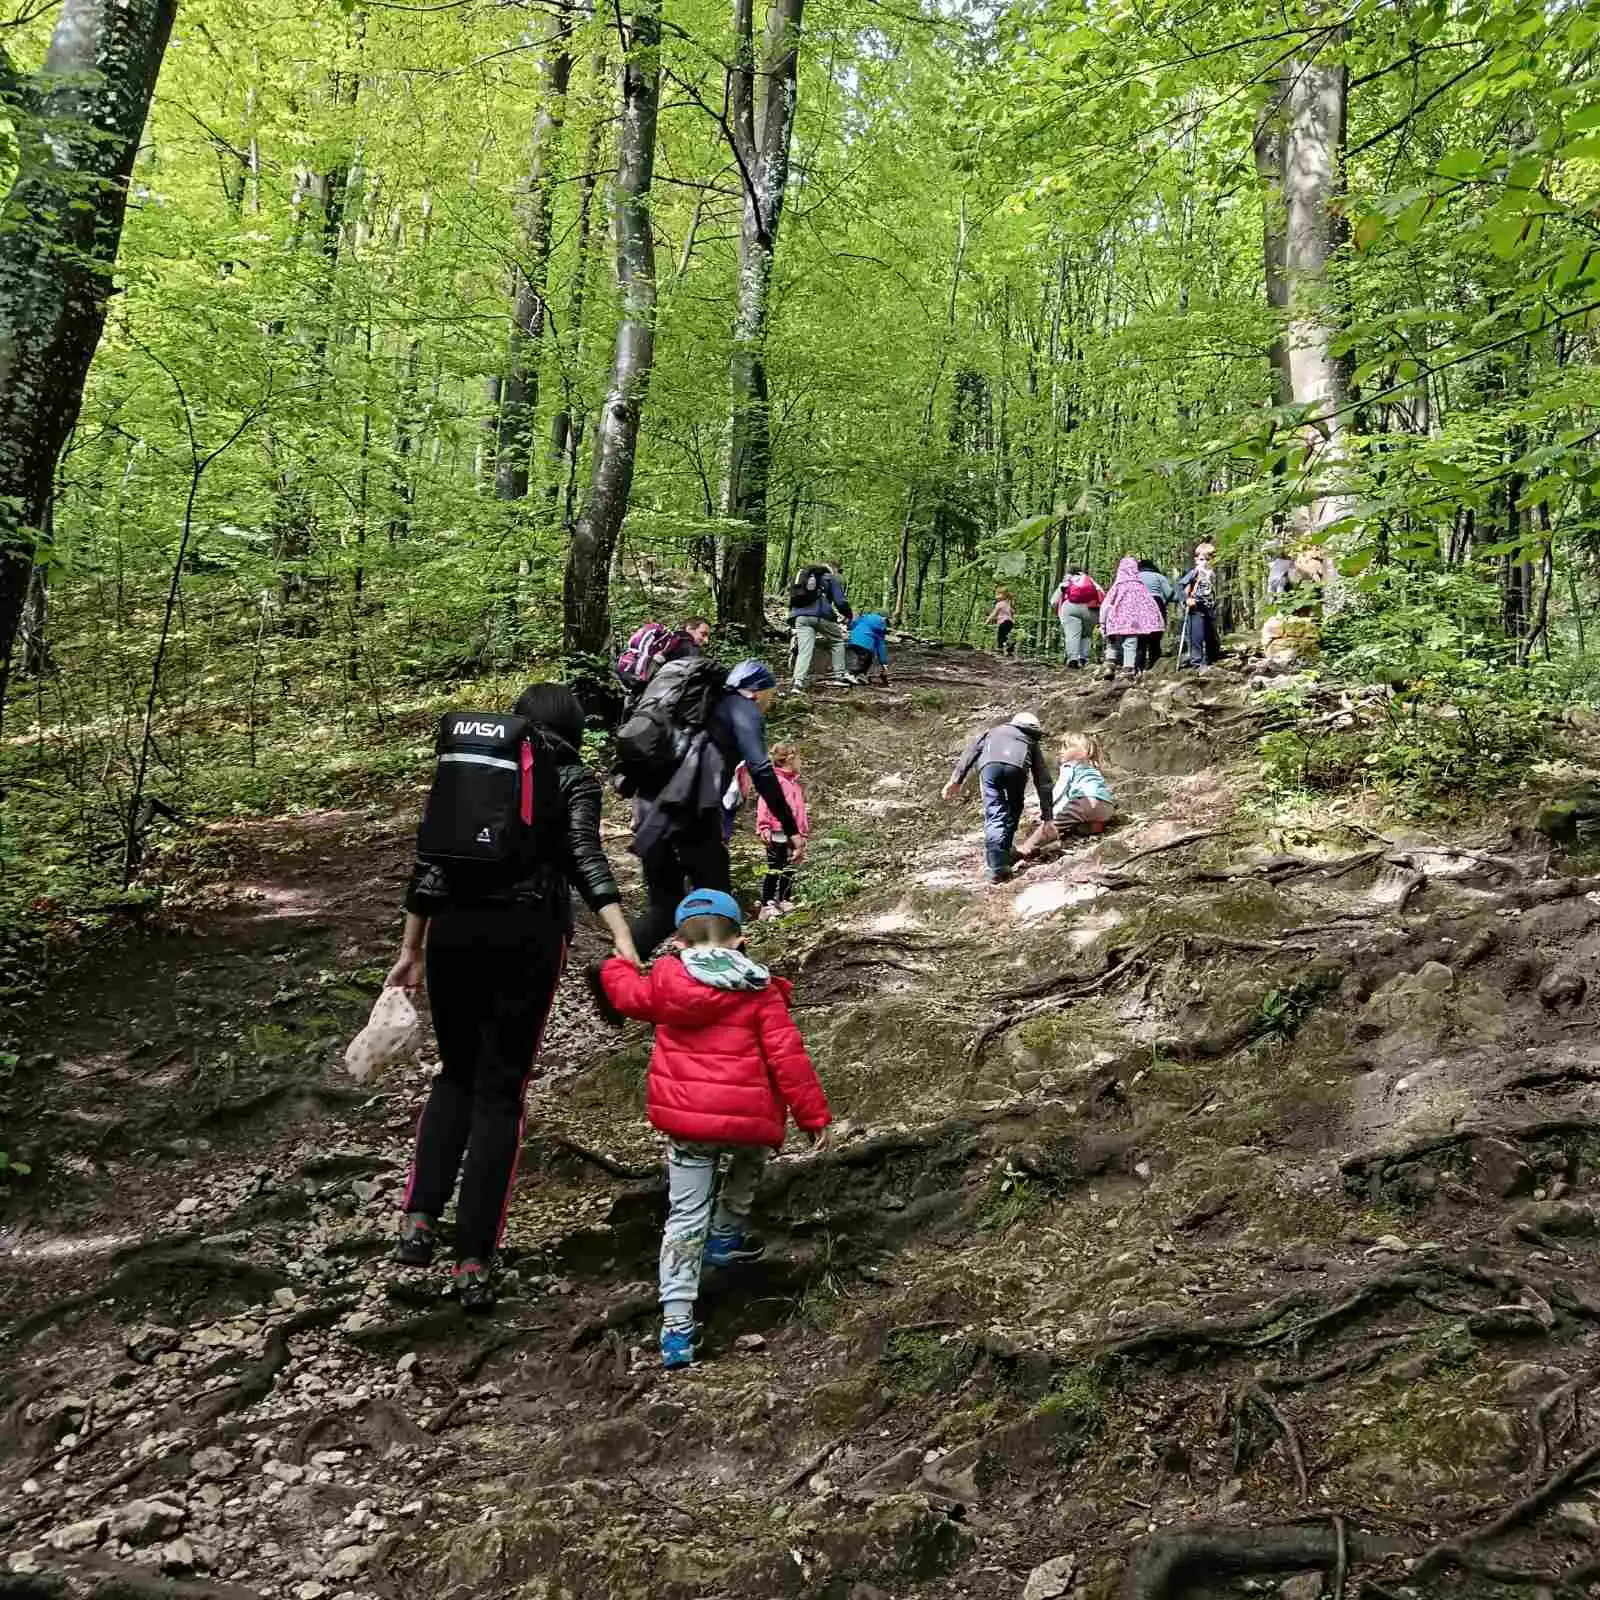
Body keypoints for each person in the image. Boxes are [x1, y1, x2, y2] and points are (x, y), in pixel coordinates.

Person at [385, 683, 641, 1312]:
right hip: (527, 936)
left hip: (452, 931)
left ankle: (418, 1218)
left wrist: (411, 948)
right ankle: (473, 1256)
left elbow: (431, 858)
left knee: (455, 1076)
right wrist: (620, 932)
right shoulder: (572, 774)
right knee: (502, 1091)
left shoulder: (470, 771)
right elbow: (583, 854)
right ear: (574, 727)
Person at [598, 889, 832, 1370]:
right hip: (747, 1121)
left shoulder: (664, 982)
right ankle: (726, 1231)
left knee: (684, 1216)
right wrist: (812, 1117)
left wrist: (617, 964)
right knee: (753, 1152)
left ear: (679, 942)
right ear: (741, 939)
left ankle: (678, 1328)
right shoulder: (760, 989)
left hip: (688, 1125)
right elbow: (788, 1060)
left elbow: (624, 995)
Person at [628, 659, 805, 959]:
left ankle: (612, 969)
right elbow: (761, 769)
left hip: (650, 809)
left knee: (665, 905)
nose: (769, 704)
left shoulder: (699, 710)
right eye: (770, 696)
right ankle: (740, 981)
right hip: (692, 813)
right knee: (719, 899)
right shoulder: (741, 708)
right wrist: (791, 828)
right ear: (757, 692)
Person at [941, 711, 1054, 883]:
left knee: (995, 811)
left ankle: (998, 861)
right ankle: (1001, 858)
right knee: (1014, 807)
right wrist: (1048, 817)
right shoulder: (1030, 741)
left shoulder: (994, 731)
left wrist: (956, 780)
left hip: (989, 767)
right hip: (1017, 769)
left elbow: (971, 750)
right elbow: (1043, 780)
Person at [1017, 732, 1114, 857]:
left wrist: (1048, 812)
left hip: (1086, 801)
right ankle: (1093, 827)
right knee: (1077, 821)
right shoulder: (1090, 767)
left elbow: (1060, 791)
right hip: (1106, 807)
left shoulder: (1070, 765)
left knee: (1052, 824)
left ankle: (1025, 848)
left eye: (1066, 747)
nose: (1060, 751)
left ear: (1083, 751)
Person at [744, 743, 809, 918]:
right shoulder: (774, 781)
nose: (800, 762)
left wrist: (802, 833)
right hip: (776, 830)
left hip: (793, 833)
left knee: (790, 866)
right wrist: (764, 826)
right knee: (776, 864)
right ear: (789, 759)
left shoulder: (794, 784)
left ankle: (785, 899)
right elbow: (765, 804)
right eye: (798, 758)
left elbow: (800, 811)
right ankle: (767, 903)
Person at [790, 561, 853, 692]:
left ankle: (797, 683)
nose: (838, 574)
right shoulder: (829, 578)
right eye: (838, 571)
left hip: (800, 617)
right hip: (820, 616)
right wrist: (848, 615)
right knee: (837, 641)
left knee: (804, 650)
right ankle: (839, 676)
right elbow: (840, 601)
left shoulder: (804, 576)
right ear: (833, 569)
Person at [1100, 556, 1167, 677]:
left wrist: (1102, 622)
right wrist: (1156, 620)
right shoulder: (1140, 587)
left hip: (1115, 621)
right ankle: (1128, 669)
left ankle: (1109, 664)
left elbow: (1106, 604)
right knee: (1130, 643)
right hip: (1133, 623)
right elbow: (1150, 605)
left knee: (1111, 642)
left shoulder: (1117, 585)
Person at [1178, 543, 1222, 668]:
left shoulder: (1213, 573)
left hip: (1210, 608)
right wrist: (1186, 599)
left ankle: (1210, 660)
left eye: (1208, 559)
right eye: (1202, 559)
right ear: (1196, 560)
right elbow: (1180, 586)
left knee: (1211, 636)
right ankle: (1196, 663)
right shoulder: (1195, 572)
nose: (1205, 562)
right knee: (1196, 636)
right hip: (1196, 608)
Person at [1049, 568, 1103, 668]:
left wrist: (1059, 610)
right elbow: (1102, 596)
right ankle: (1083, 658)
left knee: (1072, 635)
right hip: (1090, 609)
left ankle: (1073, 659)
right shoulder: (1091, 581)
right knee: (1086, 635)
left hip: (1070, 608)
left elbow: (1053, 602)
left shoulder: (1066, 582)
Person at [1135, 560, 1175, 671]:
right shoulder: (1159, 577)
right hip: (1157, 604)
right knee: (1155, 639)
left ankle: (1139, 668)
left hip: (1139, 606)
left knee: (1140, 640)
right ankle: (1154, 667)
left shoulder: (1135, 577)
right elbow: (1169, 593)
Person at [845, 610, 891, 684]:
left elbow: (853, 625)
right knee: (865, 659)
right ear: (885, 619)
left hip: (853, 639)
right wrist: (884, 663)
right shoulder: (881, 626)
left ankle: (860, 676)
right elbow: (880, 646)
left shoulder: (865, 617)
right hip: (864, 642)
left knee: (868, 659)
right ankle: (850, 673)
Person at [986, 589, 1016, 655]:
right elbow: (1011, 612)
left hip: (1004, 622)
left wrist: (987, 622)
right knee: (1004, 636)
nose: (997, 596)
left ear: (1004, 596)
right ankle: (1009, 646)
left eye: (998, 594)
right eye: (996, 594)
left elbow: (993, 614)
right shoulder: (1007, 603)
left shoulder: (1000, 604)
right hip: (1010, 622)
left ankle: (1000, 649)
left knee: (1000, 636)